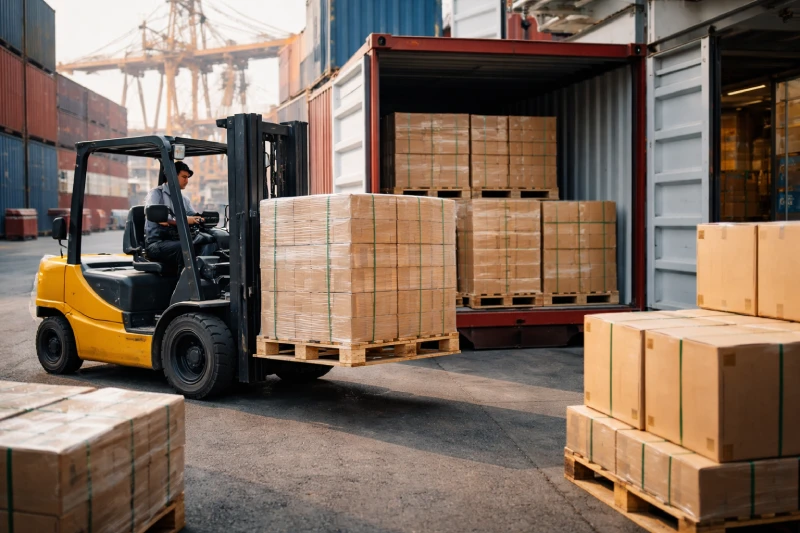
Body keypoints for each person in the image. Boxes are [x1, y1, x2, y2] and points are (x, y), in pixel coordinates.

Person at [144, 161, 215, 269]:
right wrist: (186, 220)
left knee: (209, 242)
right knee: (184, 247)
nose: (186, 181)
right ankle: (186, 283)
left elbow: (192, 215)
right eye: (184, 177)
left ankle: (205, 275)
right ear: (172, 176)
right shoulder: (156, 194)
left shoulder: (183, 199)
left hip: (175, 241)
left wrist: (202, 218)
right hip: (157, 244)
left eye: (187, 178)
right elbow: (161, 219)